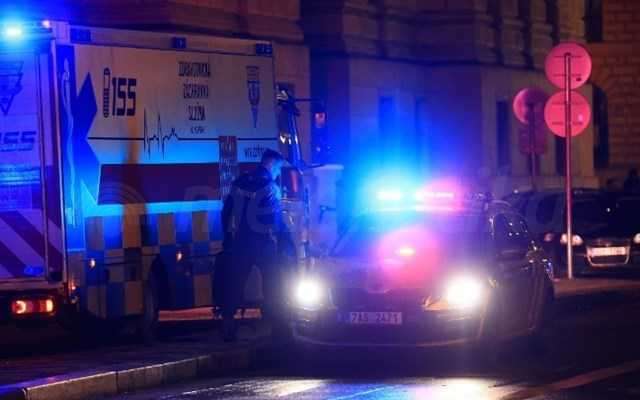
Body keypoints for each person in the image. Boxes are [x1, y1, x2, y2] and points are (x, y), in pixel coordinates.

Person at [219, 149, 292, 342]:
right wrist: (284, 244)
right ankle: (276, 328)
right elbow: (276, 221)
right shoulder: (271, 187)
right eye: (278, 169)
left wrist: (227, 237)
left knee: (235, 284)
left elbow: (226, 212)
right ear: (272, 164)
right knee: (272, 284)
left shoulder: (240, 182)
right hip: (263, 243)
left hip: (240, 242)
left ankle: (228, 326)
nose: (278, 173)